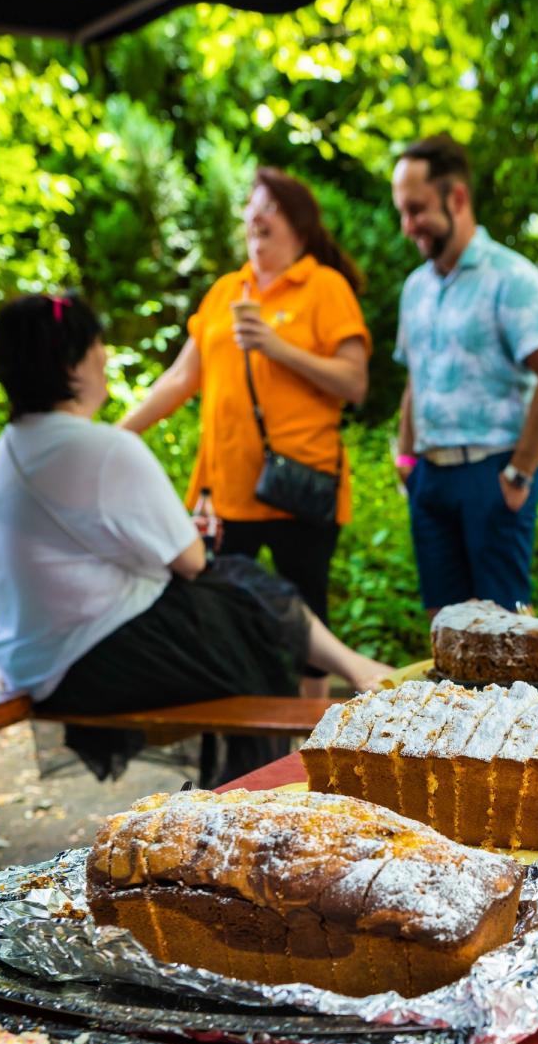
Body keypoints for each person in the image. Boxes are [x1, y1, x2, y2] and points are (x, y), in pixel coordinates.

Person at [0, 293, 392, 782]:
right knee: (241, 590)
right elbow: (192, 561)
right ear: (72, 361)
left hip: (38, 663)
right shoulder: (106, 449)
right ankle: (264, 784)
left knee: (235, 594)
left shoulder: (9, 448)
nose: (104, 354)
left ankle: (347, 674)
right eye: (96, 344)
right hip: (94, 660)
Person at [119, 169, 371, 696]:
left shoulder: (324, 286)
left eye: (271, 208)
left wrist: (278, 348)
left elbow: (355, 383)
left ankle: (311, 743)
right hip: (228, 494)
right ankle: (250, 748)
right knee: (225, 617)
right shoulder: (225, 293)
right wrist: (114, 436)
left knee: (308, 618)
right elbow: (181, 379)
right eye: (251, 207)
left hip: (298, 487)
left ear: (299, 223)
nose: (256, 217)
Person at [391, 132, 538, 613]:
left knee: (505, 630)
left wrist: (520, 474)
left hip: (494, 473)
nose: (408, 226)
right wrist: (408, 464)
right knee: (444, 629)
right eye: (402, 212)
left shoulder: (514, 280)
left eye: (417, 209)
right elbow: (416, 377)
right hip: (430, 478)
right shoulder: (415, 289)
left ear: (458, 197)